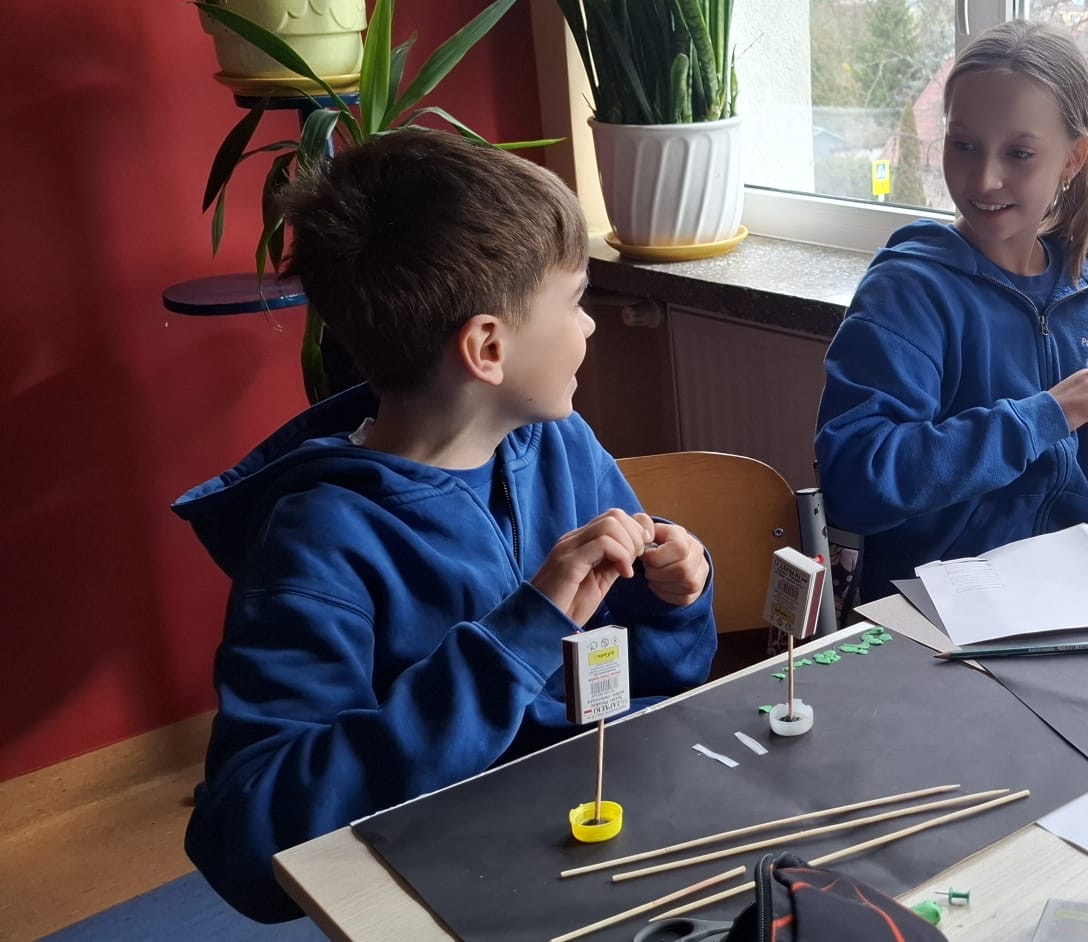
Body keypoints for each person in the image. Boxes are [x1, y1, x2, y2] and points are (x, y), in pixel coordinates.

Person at [171, 130, 716, 922]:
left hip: (598, 843)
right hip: (445, 896)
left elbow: (655, 682)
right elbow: (246, 844)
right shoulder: (320, 541)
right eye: (575, 302)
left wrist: (668, 596)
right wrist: (514, 643)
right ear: (488, 347)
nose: (590, 327)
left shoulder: (561, 444)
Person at [815, 20, 1088, 594]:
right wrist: (1041, 417)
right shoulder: (908, 291)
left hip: (1069, 586)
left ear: (1072, 160)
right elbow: (856, 481)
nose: (984, 179)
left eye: (1020, 153)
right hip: (936, 600)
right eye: (964, 145)